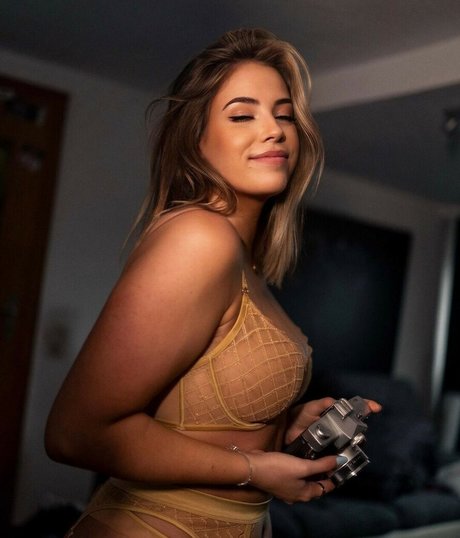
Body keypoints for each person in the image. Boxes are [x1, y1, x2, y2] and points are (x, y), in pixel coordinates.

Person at [45, 28, 381, 538]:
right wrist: (254, 469)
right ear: (195, 141)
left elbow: (194, 417)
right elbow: (74, 433)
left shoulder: (246, 263)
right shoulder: (200, 238)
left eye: (284, 115)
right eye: (242, 115)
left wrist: (279, 427)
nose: (274, 131)